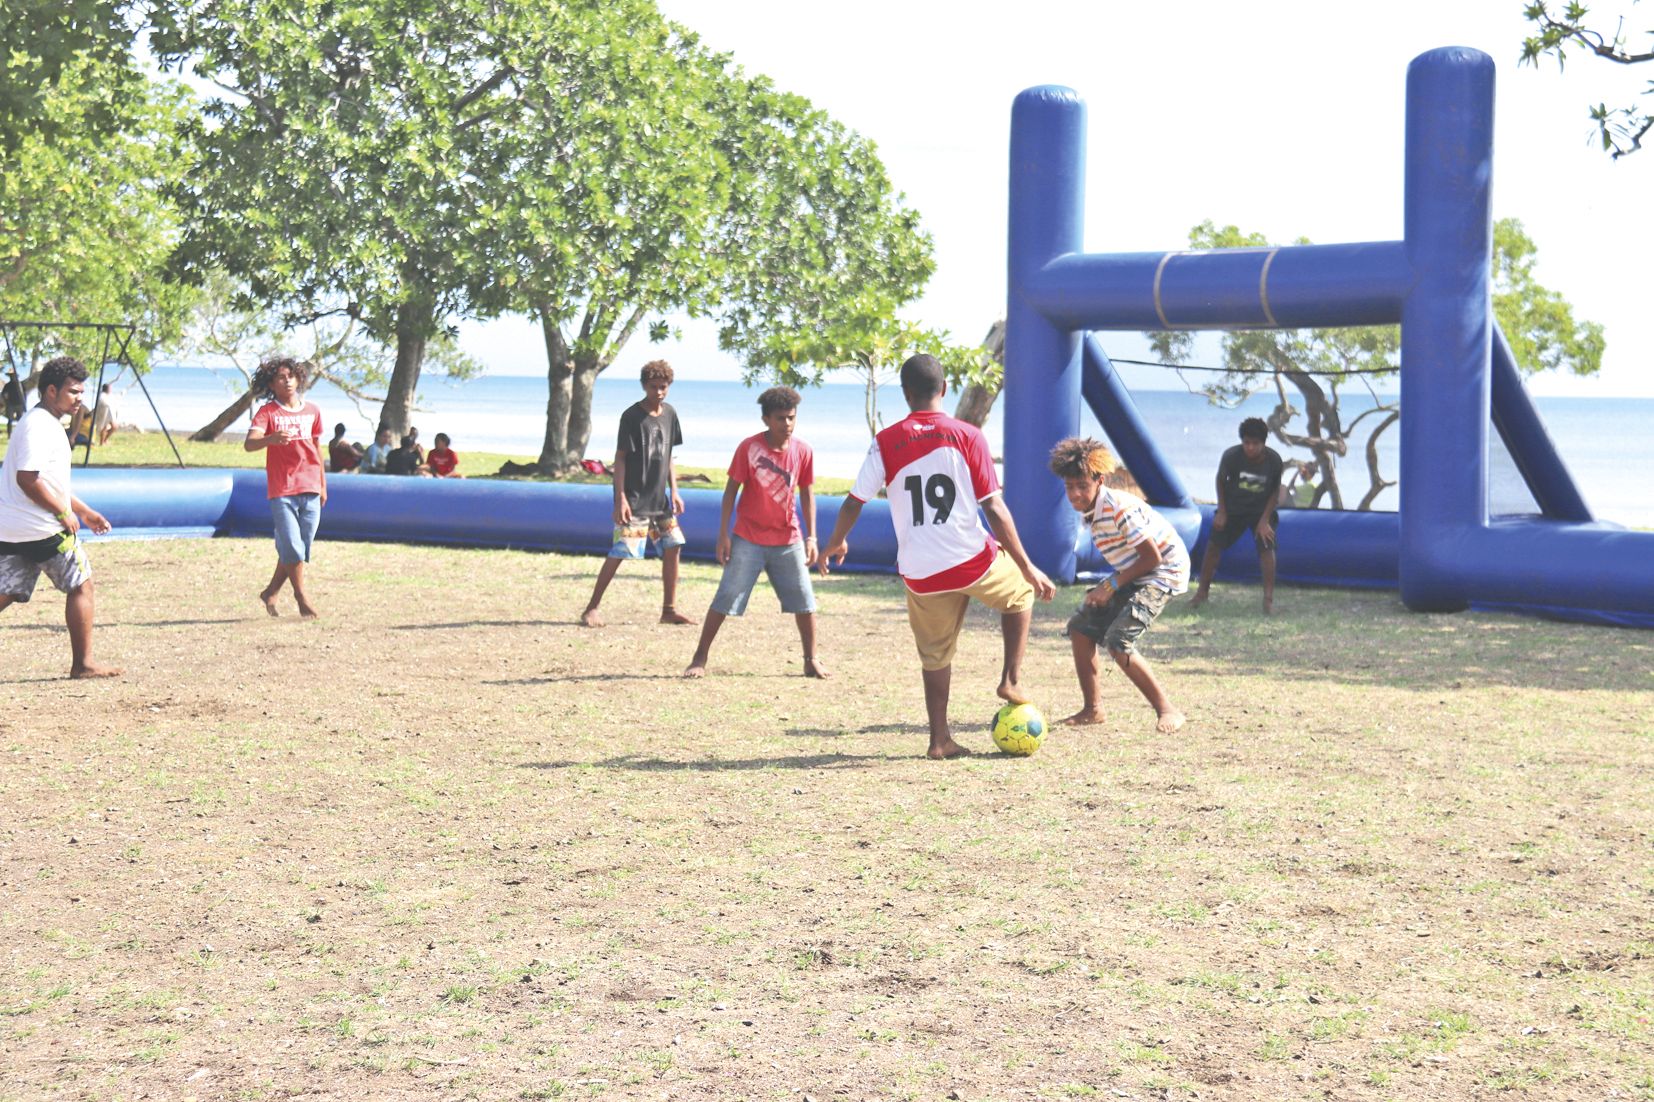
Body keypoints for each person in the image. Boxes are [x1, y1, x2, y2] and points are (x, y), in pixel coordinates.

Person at [820, 353, 1054, 759]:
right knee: (1019, 593)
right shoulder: (967, 436)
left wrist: (837, 541)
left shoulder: (886, 442)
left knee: (934, 655)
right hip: (972, 560)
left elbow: (854, 501)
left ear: (906, 394)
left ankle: (939, 739)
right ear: (944, 390)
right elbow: (994, 508)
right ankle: (1011, 679)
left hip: (921, 572)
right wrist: (1027, 566)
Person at [1048, 437, 1189, 734]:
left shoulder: (1117, 507)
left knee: (1119, 640)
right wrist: (1110, 586)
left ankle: (1167, 709)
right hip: (1137, 571)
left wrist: (1110, 585)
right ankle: (1093, 710)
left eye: (1082, 486)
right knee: (1080, 628)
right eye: (1069, 487)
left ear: (1100, 480)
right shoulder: (1091, 511)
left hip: (1164, 570)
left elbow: (1151, 557)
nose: (1075, 494)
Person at [684, 386, 826, 679]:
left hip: (789, 540)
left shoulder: (804, 451)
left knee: (805, 601)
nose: (786, 424)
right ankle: (700, 657)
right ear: (766, 420)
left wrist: (812, 537)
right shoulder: (749, 448)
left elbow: (808, 495)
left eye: (791, 418)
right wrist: (723, 535)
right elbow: (730, 492)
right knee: (726, 597)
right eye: (779, 418)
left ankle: (811, 659)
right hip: (748, 538)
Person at [0, 356, 121, 678]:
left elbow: (48, 481)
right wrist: (63, 513)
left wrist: (83, 510)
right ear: (50, 390)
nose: (79, 398)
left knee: (8, 589)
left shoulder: (44, 423)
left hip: (14, 527)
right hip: (39, 527)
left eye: (82, 392)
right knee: (82, 584)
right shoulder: (39, 425)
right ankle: (84, 664)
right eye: (73, 392)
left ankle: (84, 663)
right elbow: (28, 479)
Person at [581, 360, 694, 628]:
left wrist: (675, 491)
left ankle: (669, 609)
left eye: (663, 387)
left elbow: (668, 456)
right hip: (634, 499)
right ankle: (591, 608)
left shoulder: (670, 414)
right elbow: (620, 459)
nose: (658, 392)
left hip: (660, 500)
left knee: (674, 545)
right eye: (653, 387)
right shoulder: (631, 417)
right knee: (621, 551)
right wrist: (619, 498)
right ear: (644, 386)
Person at [244, 355, 326, 618]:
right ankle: (301, 596)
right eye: (280, 377)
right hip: (282, 489)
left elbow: (316, 448)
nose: (287, 380)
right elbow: (249, 443)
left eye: (291, 375)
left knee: (300, 547)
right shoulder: (267, 412)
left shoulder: (312, 410)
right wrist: (270, 439)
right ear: (271, 383)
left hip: (311, 486)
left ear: (298, 378)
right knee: (292, 546)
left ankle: (270, 592)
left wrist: (323, 485)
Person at [1188, 416, 1284, 613]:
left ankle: (1268, 600)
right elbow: (1220, 481)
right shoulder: (1232, 456)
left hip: (1260, 511)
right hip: (1233, 508)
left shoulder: (1274, 460)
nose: (1250, 447)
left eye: (1255, 444)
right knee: (1214, 545)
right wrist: (1222, 511)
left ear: (1263, 443)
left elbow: (1275, 491)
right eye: (1246, 443)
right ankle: (1201, 593)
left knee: (1267, 548)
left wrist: (1265, 520)